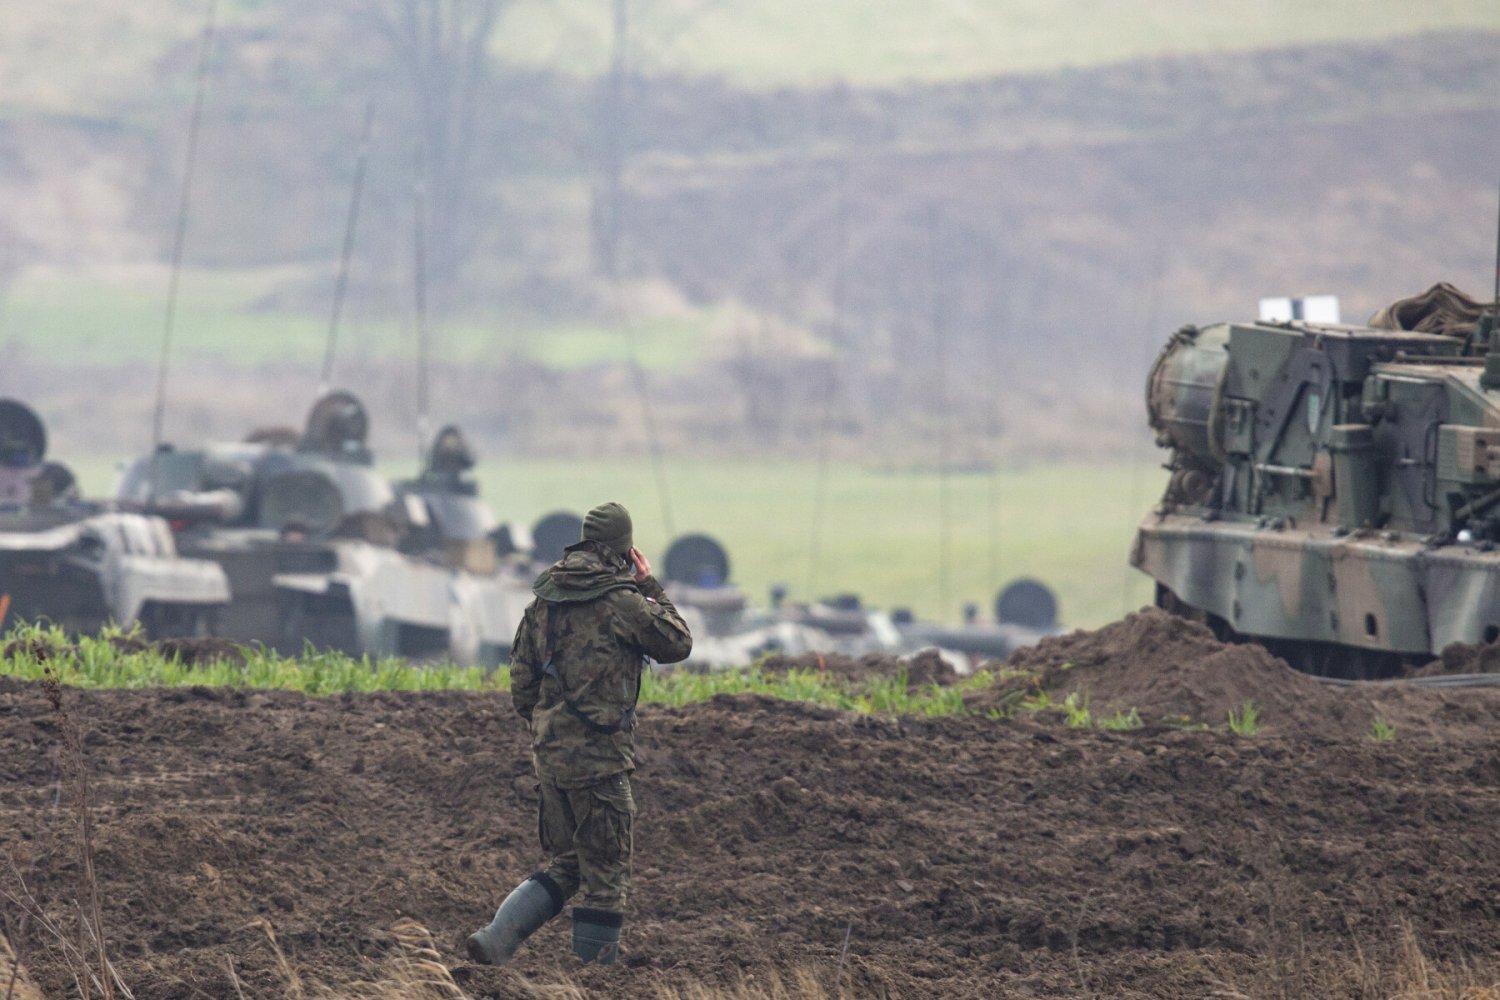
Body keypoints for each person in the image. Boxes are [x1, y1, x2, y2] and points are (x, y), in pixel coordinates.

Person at [466, 501, 692, 967]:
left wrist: (550, 730)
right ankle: (593, 981)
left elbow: (521, 685)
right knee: (607, 877)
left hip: (550, 758)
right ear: (623, 550)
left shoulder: (543, 602)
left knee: (567, 863)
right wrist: (649, 584)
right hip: (601, 763)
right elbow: (678, 643)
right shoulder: (623, 603)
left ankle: (495, 938)